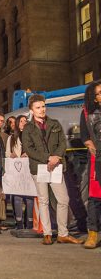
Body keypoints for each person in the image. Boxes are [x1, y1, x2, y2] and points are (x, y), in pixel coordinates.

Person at [22, 94, 83, 245]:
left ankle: (63, 234)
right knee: (44, 200)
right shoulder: (28, 128)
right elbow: (29, 149)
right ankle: (47, 234)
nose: (42, 110)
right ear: (31, 110)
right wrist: (48, 158)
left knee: (63, 200)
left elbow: (62, 142)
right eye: (38, 107)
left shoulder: (54, 124)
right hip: (39, 167)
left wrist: (56, 157)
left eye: (43, 106)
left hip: (56, 166)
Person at [80, 80, 101, 249]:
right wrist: (92, 148)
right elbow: (85, 135)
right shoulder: (87, 112)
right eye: (98, 93)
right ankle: (92, 233)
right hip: (97, 158)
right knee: (95, 198)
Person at [5, 115, 34, 229]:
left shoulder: (31, 136)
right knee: (17, 197)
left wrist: (28, 154)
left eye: (25, 121)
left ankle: (30, 222)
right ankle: (19, 222)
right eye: (21, 121)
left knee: (29, 196)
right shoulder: (11, 138)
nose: (23, 123)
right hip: (16, 170)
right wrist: (12, 155)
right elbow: (7, 153)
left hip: (29, 170)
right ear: (17, 123)